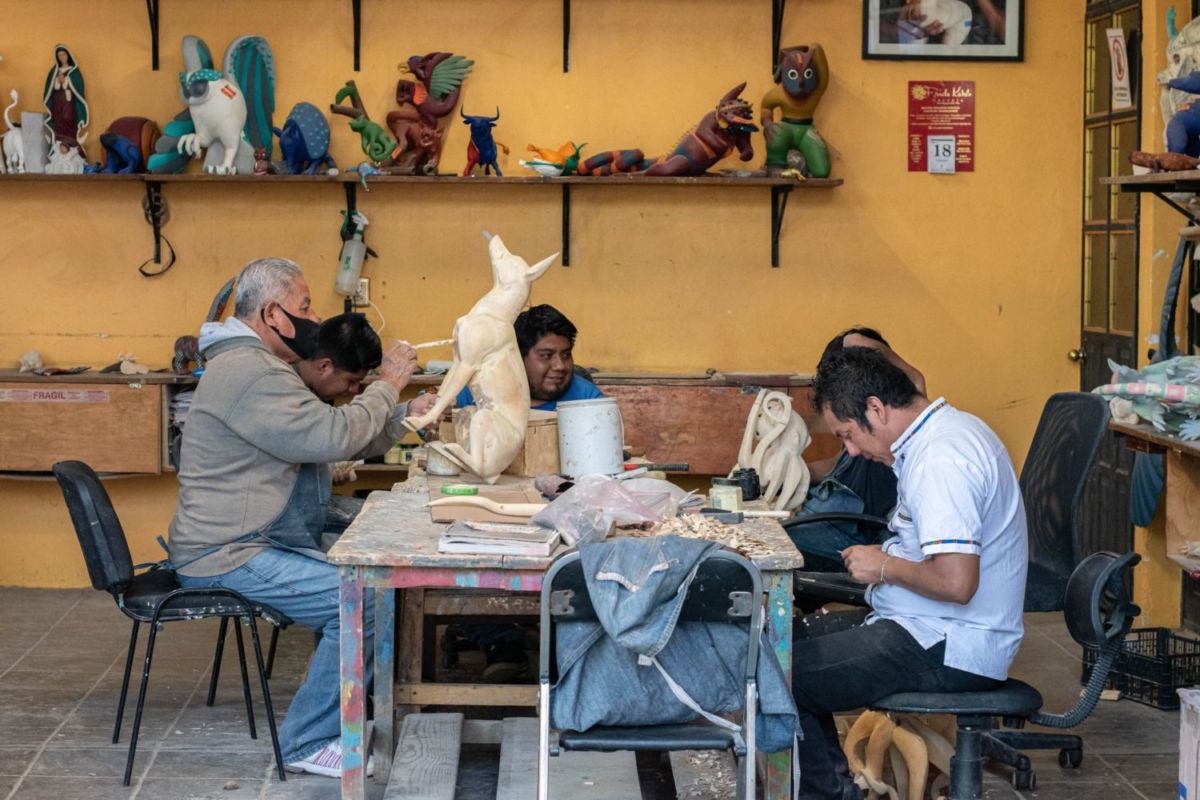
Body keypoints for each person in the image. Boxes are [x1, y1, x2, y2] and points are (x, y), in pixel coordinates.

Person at [167, 258, 420, 778]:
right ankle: (309, 740)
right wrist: (388, 385)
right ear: (272, 313)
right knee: (363, 600)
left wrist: (400, 419)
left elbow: (325, 433)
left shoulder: (261, 369)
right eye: (304, 307)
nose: (313, 318)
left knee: (374, 568)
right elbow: (334, 436)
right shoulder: (251, 372)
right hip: (229, 552)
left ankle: (358, 709)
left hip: (252, 540)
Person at [791, 346, 1027, 799]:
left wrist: (884, 566)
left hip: (950, 643)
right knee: (784, 642)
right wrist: (892, 555)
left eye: (848, 435)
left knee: (782, 678)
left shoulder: (940, 460)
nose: (852, 452)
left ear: (876, 409)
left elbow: (958, 582)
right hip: (927, 626)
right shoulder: (942, 435)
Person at [790, 327, 925, 571]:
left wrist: (854, 350)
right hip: (825, 518)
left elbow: (916, 379)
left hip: (849, 534)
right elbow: (836, 463)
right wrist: (792, 472)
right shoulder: (857, 434)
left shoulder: (890, 427)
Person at [454, 303, 603, 411]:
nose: (560, 366)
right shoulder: (478, 391)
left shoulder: (589, 400)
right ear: (517, 357)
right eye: (546, 355)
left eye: (566, 354)